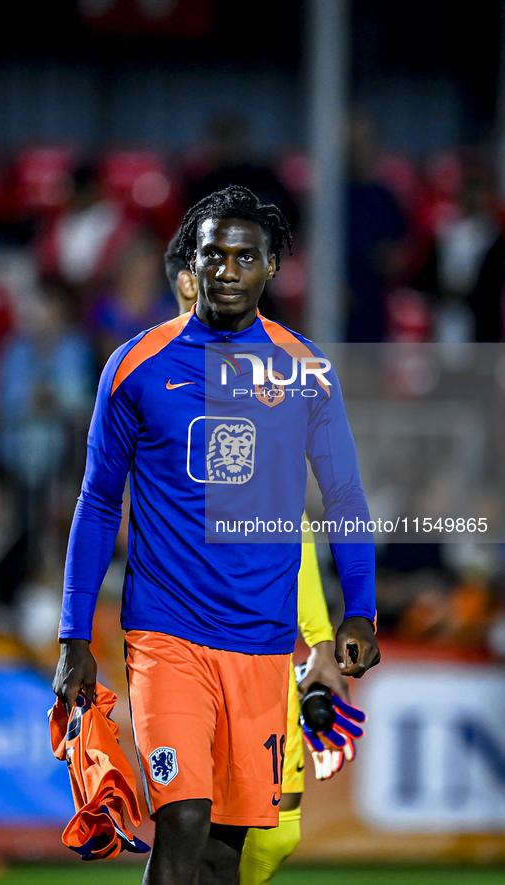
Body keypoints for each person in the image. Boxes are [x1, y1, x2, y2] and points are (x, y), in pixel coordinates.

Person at [54, 185, 380, 885]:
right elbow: (96, 502)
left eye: (244, 257)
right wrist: (73, 634)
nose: (227, 269)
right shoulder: (135, 367)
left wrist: (360, 608)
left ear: (272, 268)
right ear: (191, 267)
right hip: (164, 634)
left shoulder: (306, 372)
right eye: (213, 255)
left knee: (231, 850)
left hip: (261, 645)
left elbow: (345, 497)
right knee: (182, 819)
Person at [164, 233, 358, 884]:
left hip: (268, 642)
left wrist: (320, 640)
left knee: (274, 834)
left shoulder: (279, 375)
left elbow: (298, 525)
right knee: (190, 824)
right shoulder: (154, 379)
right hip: (186, 643)